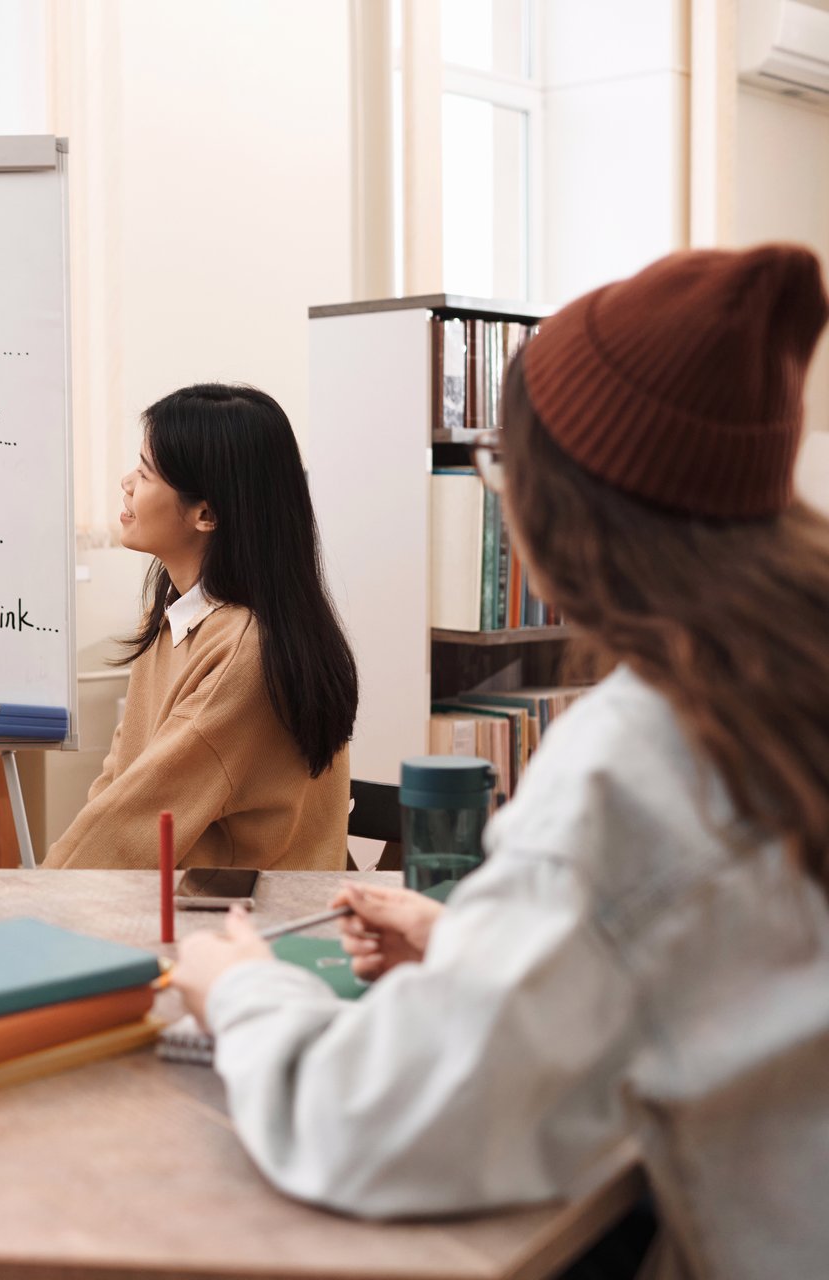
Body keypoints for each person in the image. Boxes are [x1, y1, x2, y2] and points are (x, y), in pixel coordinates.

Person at [171, 246, 829, 1278]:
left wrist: (241, 989)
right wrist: (482, 937)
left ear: (559, 506)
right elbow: (726, 952)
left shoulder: (635, 759)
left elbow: (374, 1125)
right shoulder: (783, 685)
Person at [45, 385, 357, 870]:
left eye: (146, 473)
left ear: (206, 514)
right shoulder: (179, 618)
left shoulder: (244, 652)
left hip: (246, 927)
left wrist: (37, 899)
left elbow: (135, 817)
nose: (126, 482)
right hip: (185, 908)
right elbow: (117, 787)